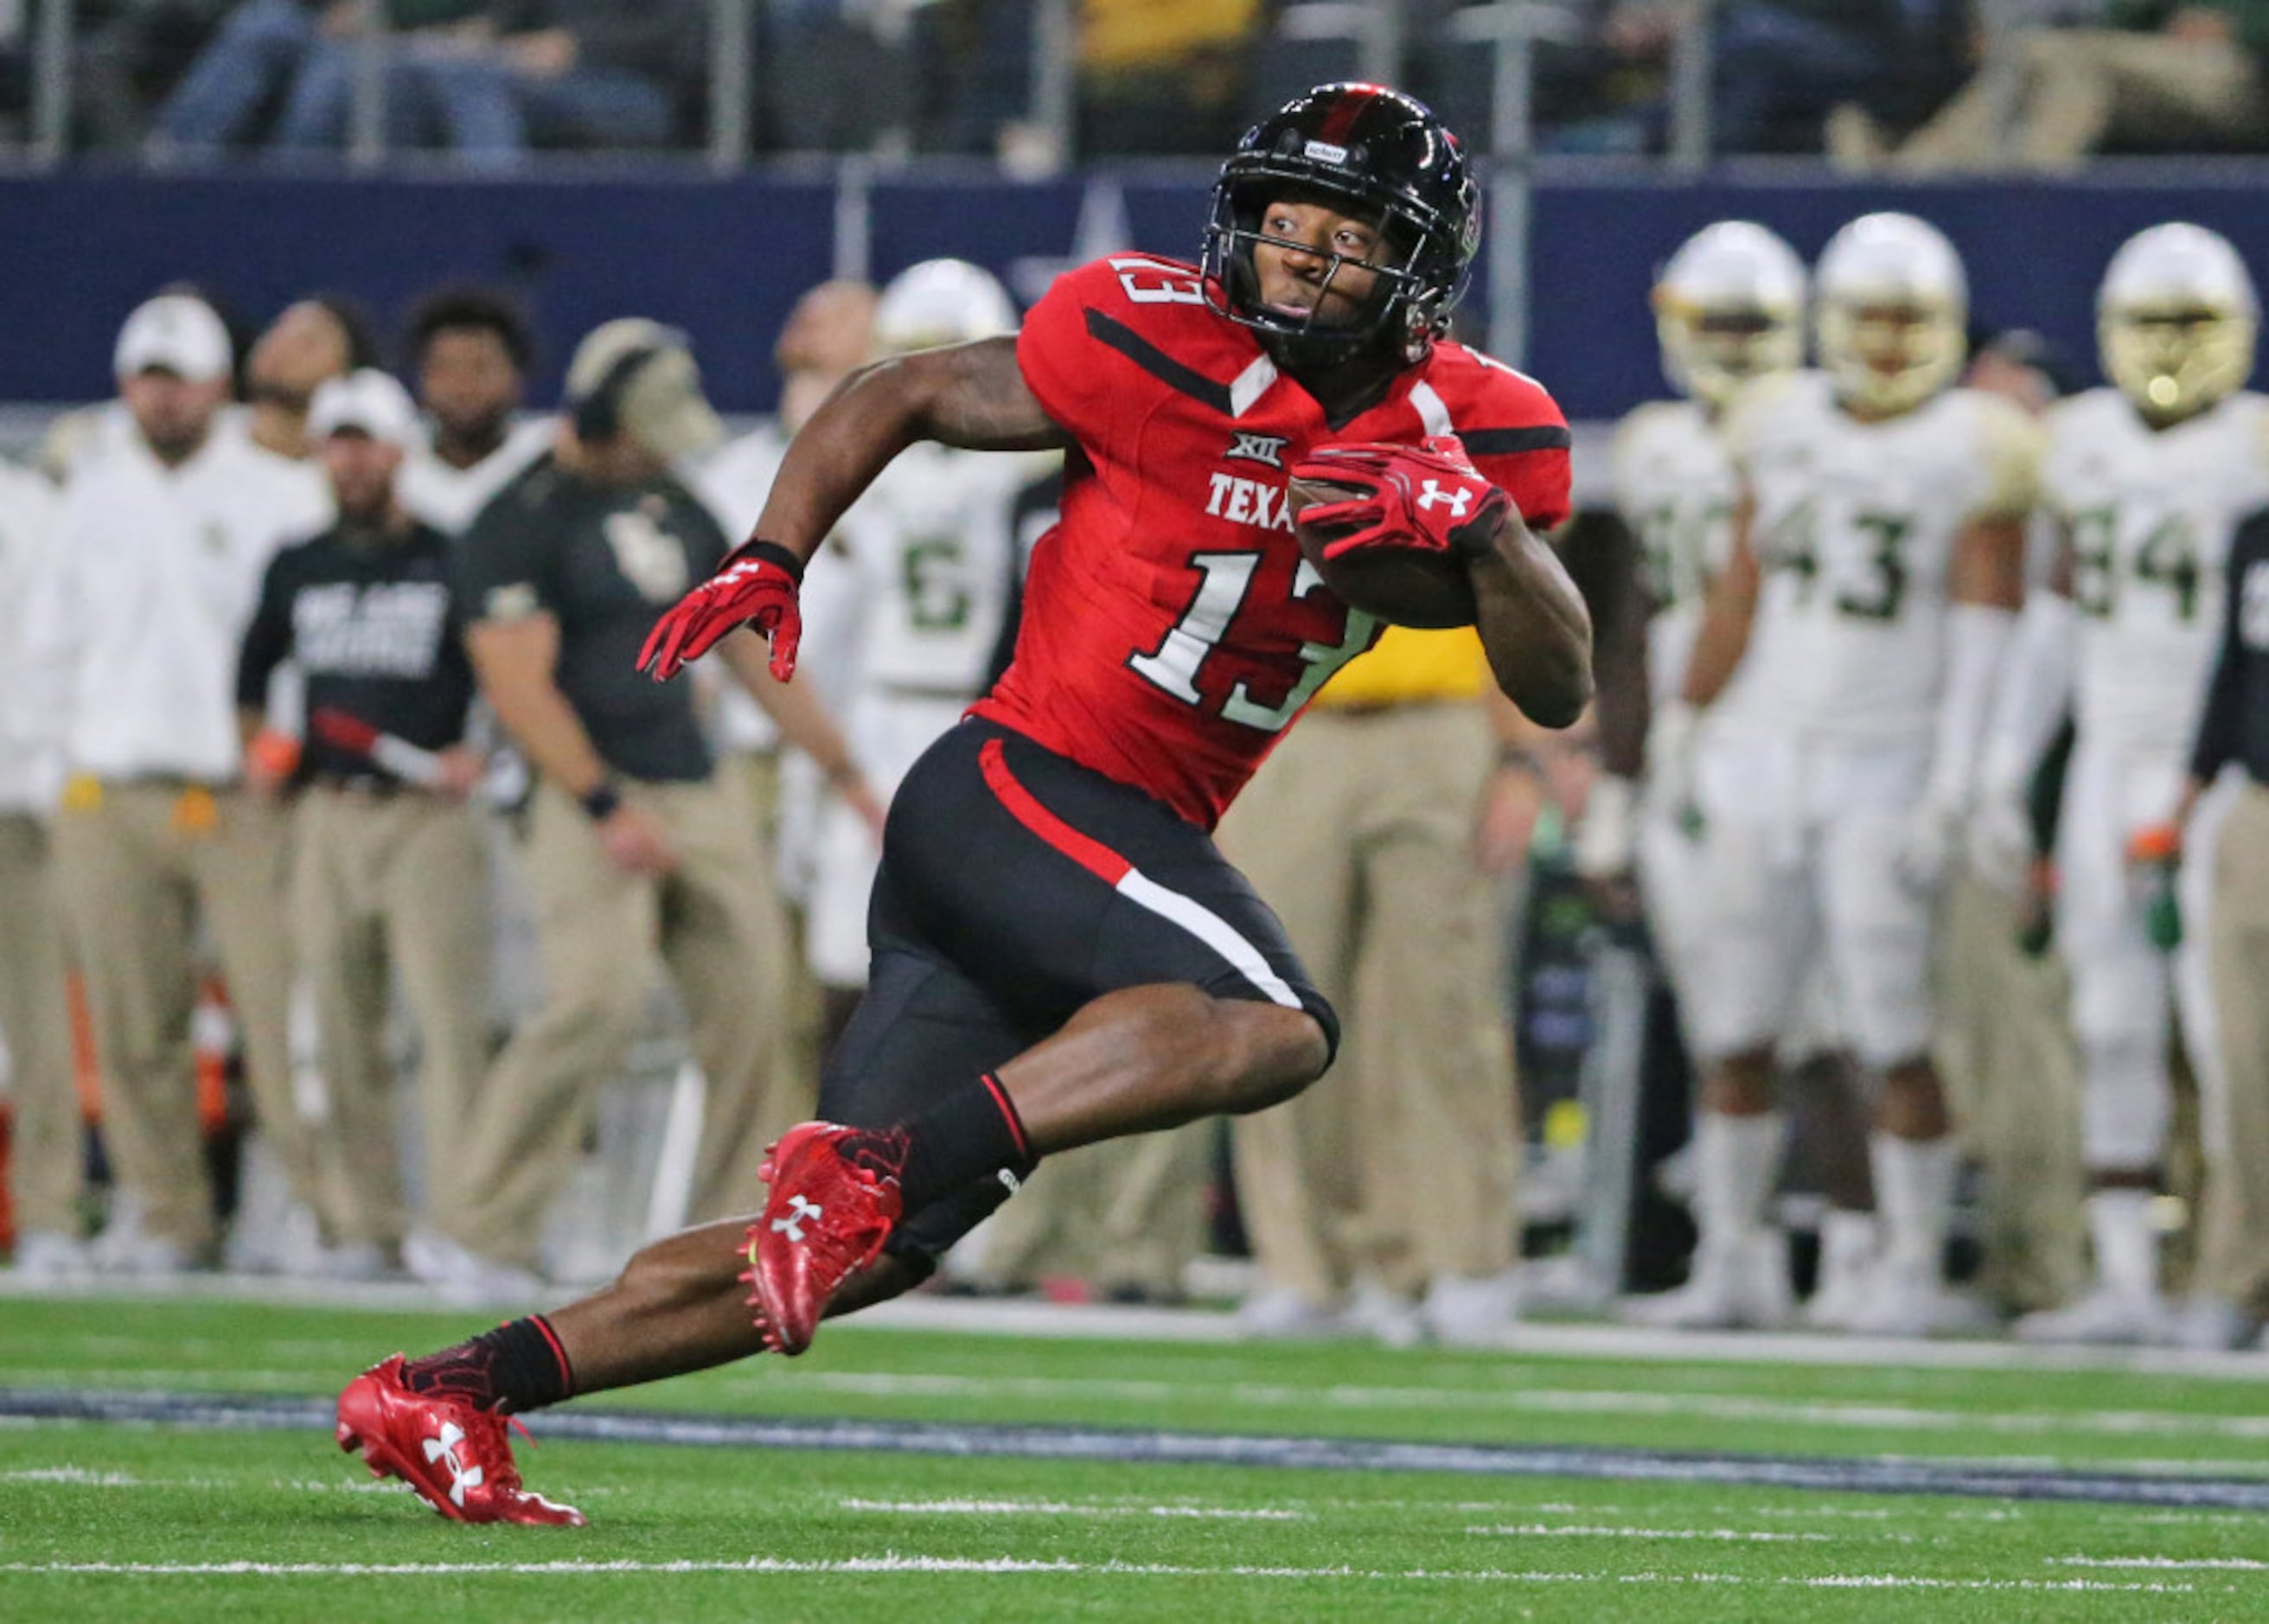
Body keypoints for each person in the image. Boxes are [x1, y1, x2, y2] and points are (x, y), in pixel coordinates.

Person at [335, 82, 1591, 1525]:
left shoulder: (1481, 429)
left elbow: (1553, 677)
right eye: (1282, 219)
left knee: (858, 1251)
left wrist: (1486, 535)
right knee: (1271, 1023)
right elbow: (903, 389)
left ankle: (455, 1387)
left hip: (1075, 843)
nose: (1301, 254)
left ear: (1417, 261)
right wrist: (773, 551)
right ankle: (865, 1164)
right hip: (1015, 783)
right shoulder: (1149, 334)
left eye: (1346, 232)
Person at [400, 317, 878, 1304]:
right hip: (583, 791)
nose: (663, 443)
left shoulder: (675, 503)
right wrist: (603, 802)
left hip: (694, 781)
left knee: (752, 999)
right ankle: (481, 1224)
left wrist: (843, 771)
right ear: (598, 411)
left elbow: (748, 647)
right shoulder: (517, 516)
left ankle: (729, 1240)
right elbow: (519, 688)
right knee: (595, 1000)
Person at [1657, 213, 2037, 1338]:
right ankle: (1738, 1256)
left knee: (1888, 1025)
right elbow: (1741, 586)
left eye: (1907, 320)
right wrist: (1688, 719)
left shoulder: (1976, 441)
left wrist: (1961, 779)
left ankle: (1909, 1262)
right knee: (1736, 1018)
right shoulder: (1777, 426)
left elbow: (1987, 633)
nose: (1884, 340)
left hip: (1888, 759)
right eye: (1868, 316)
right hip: (1765, 750)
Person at [1973, 224, 2269, 1344]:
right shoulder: (2078, 441)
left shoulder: (2256, 442)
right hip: (2107, 750)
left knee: (2228, 1029)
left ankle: (2230, 1271)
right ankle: (2130, 1278)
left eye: (2193, 325)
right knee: (2110, 1019)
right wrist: (2008, 761)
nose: (2171, 348)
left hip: (2222, 761)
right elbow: (2053, 614)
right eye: (2154, 323)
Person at [27, 293, 334, 1274]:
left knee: (282, 1015)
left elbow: (304, 643)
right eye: (149, 381)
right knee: (131, 1023)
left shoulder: (279, 495)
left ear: (219, 387)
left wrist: (287, 751)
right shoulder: (89, 495)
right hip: (109, 789)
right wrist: (57, 766)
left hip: (239, 791)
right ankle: (165, 1216)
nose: (165, 401)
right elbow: (48, 648)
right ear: (127, 388)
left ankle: (318, 1216)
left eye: (183, 380)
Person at [1581, 221, 1849, 1331]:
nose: (1734, 348)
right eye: (1717, 324)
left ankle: (1860, 1256)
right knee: (1723, 1019)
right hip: (1697, 757)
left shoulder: (1818, 432)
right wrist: (1618, 776)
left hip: (1805, 743)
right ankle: (1732, 1253)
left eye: (1754, 325)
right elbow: (1639, 615)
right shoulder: (1650, 444)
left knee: (1833, 1025)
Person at [233, 369, 492, 1280]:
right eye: (336, 440)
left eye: (365, 440)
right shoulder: (297, 562)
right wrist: (258, 754)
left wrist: (482, 754)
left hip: (428, 817)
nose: (350, 459)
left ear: (399, 449)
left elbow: (503, 670)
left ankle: (463, 1223)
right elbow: (253, 678)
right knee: (339, 1027)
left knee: (446, 1028)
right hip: (327, 813)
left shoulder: (451, 553)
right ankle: (364, 1225)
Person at [2173, 486, 2269, 1351]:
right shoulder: (2253, 527)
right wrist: (2192, 784)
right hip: (2254, 807)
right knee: (2239, 1064)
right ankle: (2237, 1277)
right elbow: (2229, 667)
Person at [0, 453, 85, 1278]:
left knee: (37, 1024)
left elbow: (51, 654)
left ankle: (50, 1207)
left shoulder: (26, 507)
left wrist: (39, 778)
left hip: (10, 809)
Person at [1882, 1, 2269, 172]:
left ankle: (2030, 185)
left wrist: (2242, 30)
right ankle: (1919, 170)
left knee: (2075, 61)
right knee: (2035, 50)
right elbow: (2128, 16)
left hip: (2245, 72)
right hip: (2166, 59)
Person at [397, 285, 553, 536]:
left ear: (517, 377)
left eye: (481, 368)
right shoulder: (392, 458)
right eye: (445, 369)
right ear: (420, 379)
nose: (462, 387)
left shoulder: (550, 454)